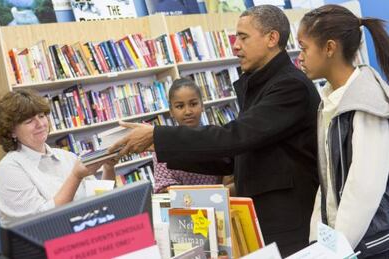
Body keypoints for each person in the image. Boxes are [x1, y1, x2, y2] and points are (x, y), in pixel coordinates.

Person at [110, 5, 320, 256]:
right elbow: (233, 157)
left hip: (289, 227)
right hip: (267, 223)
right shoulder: (262, 85)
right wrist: (156, 143)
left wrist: (156, 136)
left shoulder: (289, 86)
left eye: (243, 37)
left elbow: (236, 137)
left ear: (272, 38)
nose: (235, 46)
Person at [297, 5, 389, 258]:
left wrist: (334, 251)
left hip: (372, 246)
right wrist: (318, 239)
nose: (299, 58)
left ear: (329, 48)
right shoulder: (330, 100)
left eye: (304, 48)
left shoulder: (367, 103)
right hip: (345, 245)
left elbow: (364, 189)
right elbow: (328, 181)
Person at [0, 89, 116, 226]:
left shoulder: (67, 157)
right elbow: (43, 222)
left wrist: (109, 168)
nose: (40, 124)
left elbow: (98, 200)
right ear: (12, 131)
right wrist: (75, 176)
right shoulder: (8, 171)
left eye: (42, 116)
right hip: (48, 245)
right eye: (29, 121)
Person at [152, 78, 221, 193]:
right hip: (183, 208)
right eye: (180, 106)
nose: (188, 111)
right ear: (171, 111)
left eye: (193, 104)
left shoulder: (216, 136)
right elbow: (164, 189)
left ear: (202, 105)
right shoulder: (163, 145)